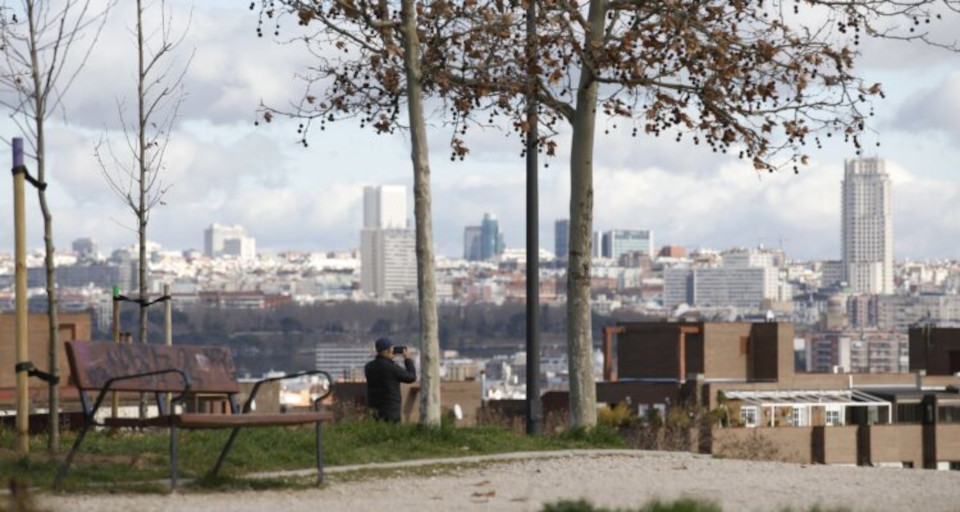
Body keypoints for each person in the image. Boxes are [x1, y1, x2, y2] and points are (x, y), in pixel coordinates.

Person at [364, 337, 416, 423]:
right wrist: (407, 359)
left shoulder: (368, 367)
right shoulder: (392, 368)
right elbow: (411, 377)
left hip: (374, 411)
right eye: (392, 349)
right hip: (391, 412)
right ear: (388, 350)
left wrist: (389, 358)